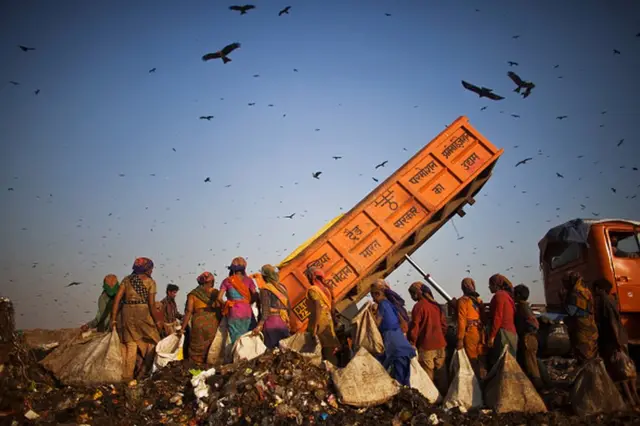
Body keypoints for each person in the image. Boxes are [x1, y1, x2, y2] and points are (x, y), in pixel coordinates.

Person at [111, 257, 162, 380]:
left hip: (126, 313)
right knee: (156, 341)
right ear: (146, 269)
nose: (151, 271)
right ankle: (144, 372)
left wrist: (113, 319)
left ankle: (127, 376)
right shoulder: (150, 282)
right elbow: (151, 304)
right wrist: (157, 322)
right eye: (150, 268)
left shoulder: (127, 280)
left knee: (131, 345)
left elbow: (117, 300)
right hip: (142, 313)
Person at [594, 278, 639, 406]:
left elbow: (611, 322)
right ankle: (634, 396)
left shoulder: (603, 301)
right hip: (621, 337)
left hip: (613, 340)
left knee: (619, 371)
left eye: (595, 288)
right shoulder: (612, 300)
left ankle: (629, 399)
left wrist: (615, 340)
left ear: (599, 289)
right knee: (627, 367)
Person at [371, 280, 416, 387]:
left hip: (392, 342)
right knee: (404, 375)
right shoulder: (391, 304)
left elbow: (376, 323)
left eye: (373, 295)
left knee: (396, 373)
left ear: (377, 294)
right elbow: (402, 323)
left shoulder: (382, 305)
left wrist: (368, 316)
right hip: (400, 341)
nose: (372, 299)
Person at [407, 281, 448, 394]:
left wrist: (412, 342)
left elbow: (415, 327)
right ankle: (445, 397)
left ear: (418, 293)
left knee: (428, 375)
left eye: (412, 294)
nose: (412, 297)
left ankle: (431, 399)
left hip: (426, 346)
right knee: (441, 373)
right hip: (440, 345)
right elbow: (444, 325)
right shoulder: (436, 305)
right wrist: (440, 336)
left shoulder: (418, 307)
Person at [181, 272, 221, 364]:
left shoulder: (193, 294)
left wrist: (182, 328)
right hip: (212, 322)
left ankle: (195, 368)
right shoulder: (215, 293)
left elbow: (188, 311)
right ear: (212, 281)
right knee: (211, 348)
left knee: (196, 350)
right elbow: (219, 307)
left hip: (198, 322)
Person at [217, 257, 259, 345]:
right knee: (249, 336)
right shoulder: (249, 280)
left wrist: (227, 304)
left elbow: (219, 298)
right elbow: (255, 295)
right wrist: (248, 302)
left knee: (235, 338)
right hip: (247, 311)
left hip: (233, 311)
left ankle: (237, 356)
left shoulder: (227, 281)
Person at [561, 271, 598, 365]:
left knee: (584, 355)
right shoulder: (585, 290)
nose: (564, 285)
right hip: (590, 326)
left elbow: (571, 311)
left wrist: (563, 299)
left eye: (565, 282)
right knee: (591, 353)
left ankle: (590, 377)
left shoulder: (575, 293)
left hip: (582, 329)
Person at [305, 266, 340, 366]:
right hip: (328, 321)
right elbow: (332, 307)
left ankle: (330, 375)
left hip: (320, 322)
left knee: (322, 350)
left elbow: (318, 307)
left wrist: (314, 326)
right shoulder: (327, 289)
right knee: (329, 348)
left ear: (312, 277)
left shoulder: (313, 290)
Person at [252, 264, 291, 349]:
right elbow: (289, 307)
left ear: (264, 277)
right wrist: (287, 321)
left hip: (271, 323)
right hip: (283, 322)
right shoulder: (282, 287)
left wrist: (259, 325)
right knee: (285, 350)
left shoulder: (265, 289)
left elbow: (265, 310)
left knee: (273, 351)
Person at [455, 277, 487, 378]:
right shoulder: (478, 300)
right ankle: (483, 380)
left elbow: (461, 320)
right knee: (481, 358)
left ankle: (475, 383)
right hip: (480, 332)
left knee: (471, 359)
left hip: (470, 333)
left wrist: (460, 338)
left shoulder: (463, 301)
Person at [513, 284, 544, 390]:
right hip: (531, 337)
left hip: (528, 338)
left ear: (517, 295)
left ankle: (539, 389)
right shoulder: (525, 306)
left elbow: (533, 323)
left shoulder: (522, 307)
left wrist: (528, 333)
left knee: (531, 366)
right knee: (533, 363)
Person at [488, 273, 518, 366]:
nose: (489, 287)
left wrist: (492, 336)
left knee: (502, 363)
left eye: (490, 285)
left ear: (495, 285)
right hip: (511, 333)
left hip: (503, 333)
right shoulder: (507, 296)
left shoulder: (499, 296)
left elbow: (498, 316)